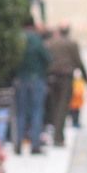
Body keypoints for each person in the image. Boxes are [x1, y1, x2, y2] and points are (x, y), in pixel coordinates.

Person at [46, 24, 87, 147]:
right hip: (66, 78)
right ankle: (58, 137)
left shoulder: (51, 43)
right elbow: (78, 61)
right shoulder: (72, 44)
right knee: (62, 107)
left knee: (56, 106)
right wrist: (85, 77)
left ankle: (58, 135)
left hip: (52, 77)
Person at [16, 19, 51, 155]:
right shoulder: (37, 40)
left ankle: (18, 143)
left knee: (21, 112)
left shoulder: (18, 40)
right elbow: (47, 58)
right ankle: (34, 145)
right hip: (37, 79)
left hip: (21, 79)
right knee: (37, 111)